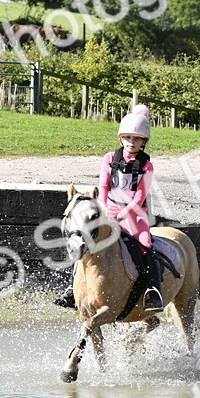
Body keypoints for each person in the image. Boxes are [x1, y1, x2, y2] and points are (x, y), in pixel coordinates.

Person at [55, 104, 164, 312]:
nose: (131, 143)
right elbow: (103, 186)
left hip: (135, 214)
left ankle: (152, 291)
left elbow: (140, 195)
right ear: (121, 138)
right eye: (128, 138)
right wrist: (103, 209)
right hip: (110, 209)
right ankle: (72, 289)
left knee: (145, 245)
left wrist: (124, 214)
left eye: (137, 139)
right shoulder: (109, 159)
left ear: (144, 142)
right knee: (83, 240)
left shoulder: (146, 166)